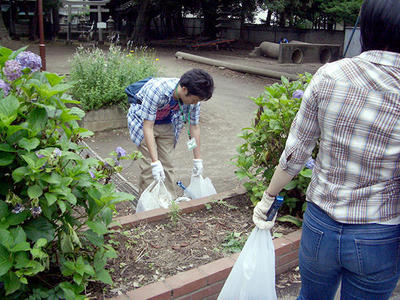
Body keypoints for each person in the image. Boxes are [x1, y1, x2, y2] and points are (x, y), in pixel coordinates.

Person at [253, 0, 400, 299]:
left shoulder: (330, 75)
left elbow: (296, 151)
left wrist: (268, 199)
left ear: (367, 26)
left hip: (320, 225)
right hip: (379, 233)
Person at [127, 69, 214, 198]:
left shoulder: (194, 99)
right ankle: (149, 206)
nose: (195, 103)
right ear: (184, 89)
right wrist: (155, 162)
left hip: (168, 124)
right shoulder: (157, 90)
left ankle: (168, 202)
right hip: (143, 123)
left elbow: (194, 126)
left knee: (167, 164)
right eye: (194, 100)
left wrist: (197, 160)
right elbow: (148, 126)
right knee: (150, 168)